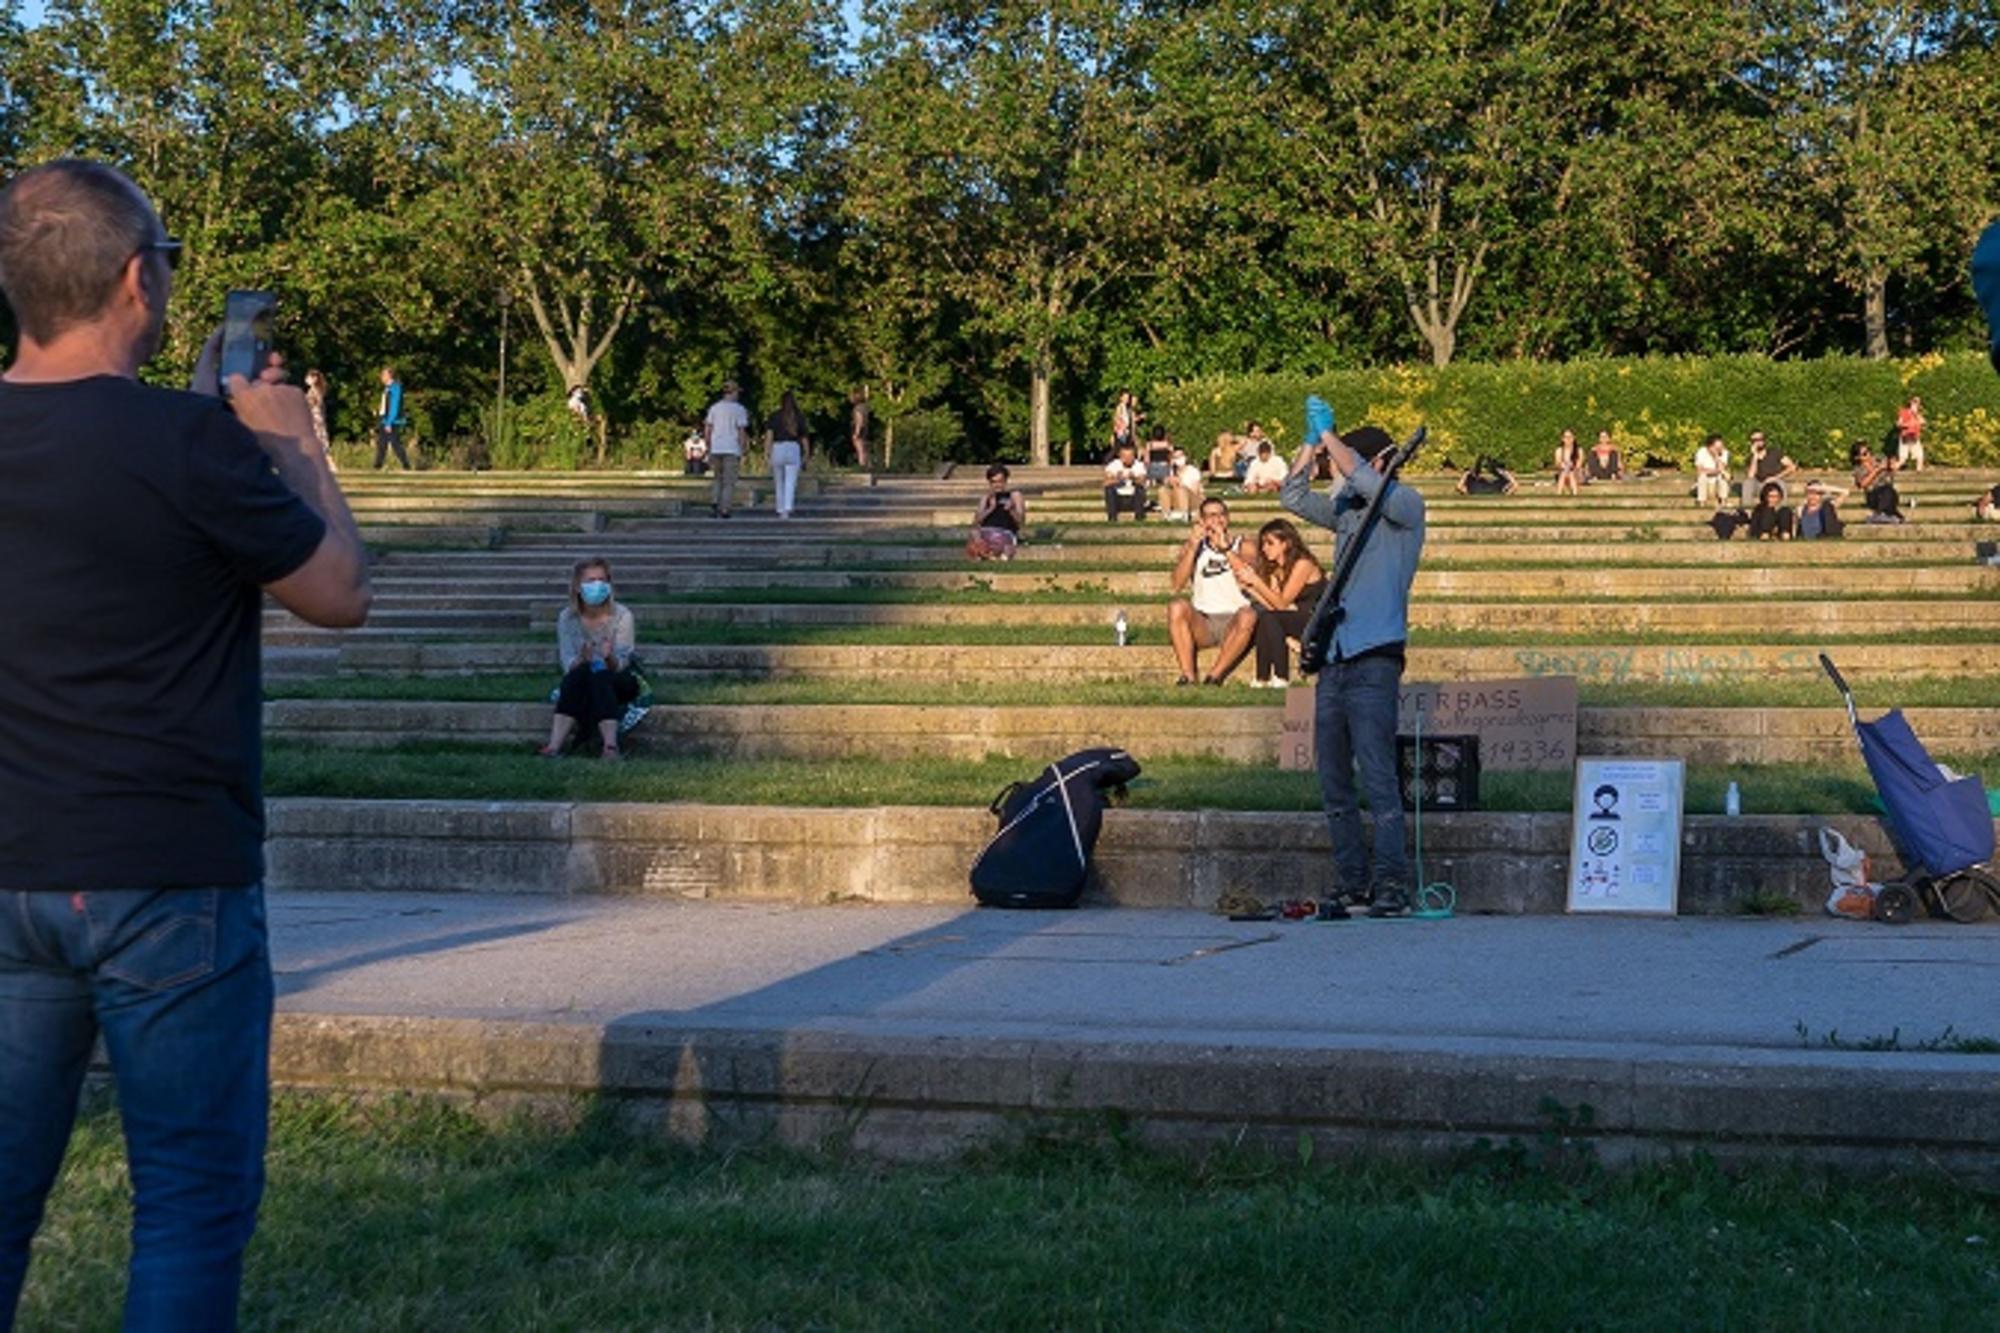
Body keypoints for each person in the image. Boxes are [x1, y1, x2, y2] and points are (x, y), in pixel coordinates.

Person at [0, 158, 372, 1329]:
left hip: (9, 863)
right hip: (169, 874)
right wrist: (290, 440)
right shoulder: (188, 443)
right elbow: (337, 592)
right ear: (133, 281)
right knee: (187, 1207)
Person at [1281, 423, 1427, 918]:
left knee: (1379, 777)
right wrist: (1308, 442)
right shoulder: (1347, 514)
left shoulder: (1406, 507)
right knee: (1335, 780)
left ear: (1378, 462)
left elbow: (1365, 479)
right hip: (1336, 657)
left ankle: (1391, 883)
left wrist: (1333, 440)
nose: (1339, 473)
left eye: (1349, 463)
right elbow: (1293, 495)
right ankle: (1352, 880)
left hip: (1375, 656)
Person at [540, 557, 639, 760]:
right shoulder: (567, 618)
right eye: (591, 580)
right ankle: (554, 746)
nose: (597, 585)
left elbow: (623, 663)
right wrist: (581, 660)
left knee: (600, 674)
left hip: (618, 680)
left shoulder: (622, 615)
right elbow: (568, 663)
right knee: (581, 674)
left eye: (602, 580)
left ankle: (610, 747)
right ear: (577, 586)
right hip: (582, 679)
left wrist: (608, 657)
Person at [1167, 497, 1257, 685]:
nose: (1216, 519)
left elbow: (1248, 580)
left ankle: (1215, 676)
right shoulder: (1195, 547)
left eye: (1221, 514)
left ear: (1228, 518)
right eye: (1210, 515)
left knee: (1248, 615)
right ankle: (1188, 675)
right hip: (1204, 620)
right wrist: (1192, 548)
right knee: (1177, 606)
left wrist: (1226, 550)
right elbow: (1176, 584)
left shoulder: (1244, 545)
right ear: (1202, 520)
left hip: (1236, 619)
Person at [1234, 518, 1327, 688]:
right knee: (1265, 617)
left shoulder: (1303, 564)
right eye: (1263, 544)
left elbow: (1283, 604)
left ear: (1285, 544)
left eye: (1270, 543)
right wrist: (1251, 589)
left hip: (1317, 620)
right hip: (1295, 618)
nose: (1264, 548)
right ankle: (1262, 678)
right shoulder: (1276, 570)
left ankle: (1281, 676)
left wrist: (1256, 581)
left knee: (1270, 618)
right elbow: (1275, 607)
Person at [703, 378, 750, 518]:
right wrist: (743, 449)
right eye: (737, 392)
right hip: (731, 448)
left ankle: (714, 501)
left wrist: (708, 445)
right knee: (729, 481)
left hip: (716, 447)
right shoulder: (739, 409)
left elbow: (708, 428)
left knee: (717, 478)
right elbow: (741, 431)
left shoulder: (714, 408)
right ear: (734, 392)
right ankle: (725, 509)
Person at [765, 389, 810, 519]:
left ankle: (780, 508)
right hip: (793, 448)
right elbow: (804, 437)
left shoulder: (774, 416)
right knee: (790, 480)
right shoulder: (799, 416)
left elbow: (769, 436)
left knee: (779, 481)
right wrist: (807, 453)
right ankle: (788, 508)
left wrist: (767, 452)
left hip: (778, 447)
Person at [967, 463, 1025, 560]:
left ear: (1006, 481)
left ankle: (988, 554)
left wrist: (1011, 510)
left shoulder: (1014, 495)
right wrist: (990, 508)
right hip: (986, 532)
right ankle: (987, 553)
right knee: (974, 533)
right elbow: (976, 522)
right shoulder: (986, 498)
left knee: (999, 541)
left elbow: (1020, 521)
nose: (997, 485)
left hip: (1005, 532)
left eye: (1000, 481)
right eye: (994, 482)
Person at [1850, 441, 1903, 523]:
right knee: (1886, 492)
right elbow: (1862, 484)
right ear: (1857, 457)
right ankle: (1884, 515)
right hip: (1873, 494)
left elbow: (1890, 474)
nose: (1869, 455)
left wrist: (1891, 467)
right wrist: (1876, 470)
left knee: (1889, 491)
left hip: (1888, 492)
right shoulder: (1858, 469)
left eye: (1869, 451)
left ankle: (1881, 515)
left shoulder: (1878, 460)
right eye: (1865, 453)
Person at [1740, 430, 1797, 507]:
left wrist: (1775, 477)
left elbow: (1792, 467)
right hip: (1759, 484)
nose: (1758, 442)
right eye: (1754, 440)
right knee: (1747, 483)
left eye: (1760, 439)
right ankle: (1747, 511)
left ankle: (1783, 511)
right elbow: (1751, 476)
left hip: (1775, 482)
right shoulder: (1750, 458)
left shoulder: (1774, 453)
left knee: (1781, 484)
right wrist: (1755, 457)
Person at [374, 363, 410, 469]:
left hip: (392, 421)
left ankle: (406, 464)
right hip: (385, 420)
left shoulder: (395, 388)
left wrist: (389, 422)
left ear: (389, 375)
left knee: (395, 444)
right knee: (382, 444)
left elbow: (394, 406)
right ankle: (377, 465)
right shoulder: (387, 389)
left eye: (383, 375)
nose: (381, 377)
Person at [1103, 440, 1147, 521]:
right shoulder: (1113, 465)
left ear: (1134, 456)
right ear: (1120, 456)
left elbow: (1143, 482)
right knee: (1109, 490)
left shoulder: (1139, 465)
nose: (1127, 459)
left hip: (1134, 499)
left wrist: (1133, 478)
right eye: (1124, 456)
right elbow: (1105, 483)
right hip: (1118, 499)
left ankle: (1139, 517)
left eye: (1130, 456)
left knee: (1140, 489)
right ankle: (1112, 517)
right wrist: (1117, 479)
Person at [1161, 447, 1203, 520]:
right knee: (1163, 490)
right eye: (1175, 457)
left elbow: (1195, 491)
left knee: (1181, 490)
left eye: (1180, 456)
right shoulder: (1171, 471)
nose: (1178, 459)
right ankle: (1167, 515)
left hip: (1193, 500)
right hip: (1176, 499)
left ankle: (1184, 515)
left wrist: (1180, 483)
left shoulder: (1193, 471)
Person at [304, 367, 332, 465]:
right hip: (316, 416)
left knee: (319, 439)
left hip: (315, 417)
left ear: (314, 378)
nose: (306, 379)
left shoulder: (315, 390)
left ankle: (328, 462)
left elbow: (315, 403)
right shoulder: (315, 390)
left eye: (309, 377)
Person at [1693, 434, 1729, 507]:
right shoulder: (1701, 452)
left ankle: (1723, 501)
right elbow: (1699, 471)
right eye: (1717, 447)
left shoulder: (1724, 452)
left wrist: (1716, 457)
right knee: (1702, 477)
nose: (1720, 449)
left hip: (1717, 483)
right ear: (1710, 447)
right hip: (1705, 482)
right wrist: (1716, 470)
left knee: (1722, 477)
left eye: (1721, 447)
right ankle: (1701, 502)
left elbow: (1722, 468)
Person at [1896, 395, 1926, 471]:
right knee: (1903, 459)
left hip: (1915, 437)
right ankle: (1888, 471)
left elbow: (1923, 422)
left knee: (1920, 456)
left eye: (1918, 402)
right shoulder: (1904, 411)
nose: (1917, 404)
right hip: (1906, 436)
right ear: (1910, 402)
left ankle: (1919, 475)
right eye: (1915, 401)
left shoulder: (1917, 413)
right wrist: (1908, 425)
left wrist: (1916, 414)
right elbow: (1898, 424)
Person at [1553, 428, 1583, 496]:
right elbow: (1557, 463)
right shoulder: (1559, 450)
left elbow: (1579, 465)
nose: (1568, 439)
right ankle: (1559, 495)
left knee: (1571, 474)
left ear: (1573, 438)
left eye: (1570, 437)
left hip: (1576, 473)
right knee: (1564, 474)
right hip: (1562, 473)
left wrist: (1571, 468)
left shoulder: (1579, 450)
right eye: (1566, 437)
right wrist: (1563, 465)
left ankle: (1575, 494)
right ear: (1562, 439)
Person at [1111, 389, 1142, 456]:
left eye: (1127, 398)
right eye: (1125, 397)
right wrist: (1121, 425)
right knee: (1119, 449)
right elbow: (1116, 418)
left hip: (1126, 432)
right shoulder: (1120, 407)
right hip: (1121, 432)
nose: (1127, 399)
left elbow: (1130, 419)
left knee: (1125, 448)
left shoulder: (1127, 408)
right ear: (1121, 398)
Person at [1143, 423, 1174, 488]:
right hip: (1165, 466)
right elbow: (1171, 457)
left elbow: (1146, 459)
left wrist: (1147, 468)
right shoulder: (1167, 444)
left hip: (1153, 467)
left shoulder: (1150, 444)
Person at [849, 387, 871, 469]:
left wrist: (856, 433)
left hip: (859, 429)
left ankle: (862, 466)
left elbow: (859, 420)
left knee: (860, 449)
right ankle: (868, 465)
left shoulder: (857, 408)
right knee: (865, 449)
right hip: (865, 429)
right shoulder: (865, 407)